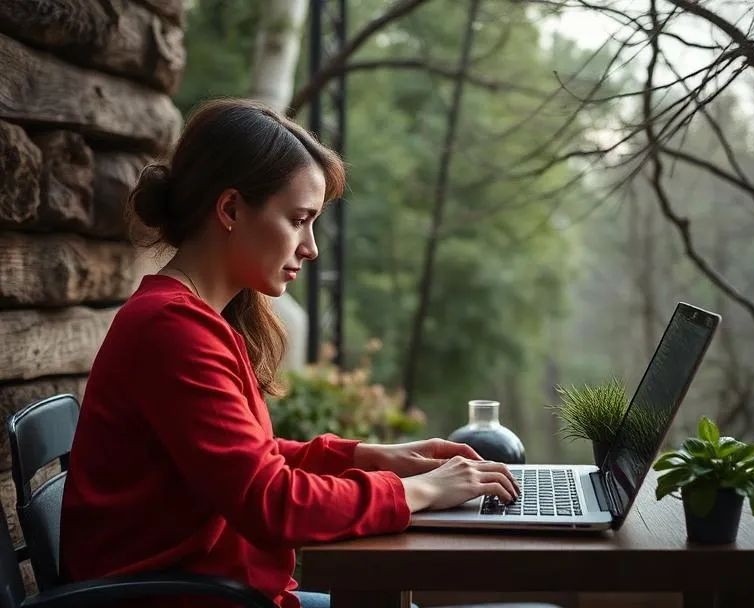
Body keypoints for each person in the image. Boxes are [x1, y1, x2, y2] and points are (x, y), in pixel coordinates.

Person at [60, 98, 520, 608]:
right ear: (231, 210)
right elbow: (271, 501)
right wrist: (422, 491)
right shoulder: (173, 329)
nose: (311, 247)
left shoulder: (188, 318)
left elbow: (245, 462)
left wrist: (370, 457)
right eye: (299, 219)